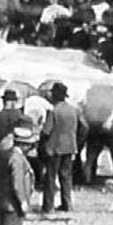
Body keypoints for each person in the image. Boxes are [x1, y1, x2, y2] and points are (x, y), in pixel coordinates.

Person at [39, 82, 81, 213]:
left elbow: (46, 131)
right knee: (66, 177)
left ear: (55, 96)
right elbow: (84, 127)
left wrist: (42, 142)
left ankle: (48, 207)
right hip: (70, 147)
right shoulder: (73, 110)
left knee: (50, 177)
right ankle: (67, 204)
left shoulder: (53, 111)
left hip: (55, 147)